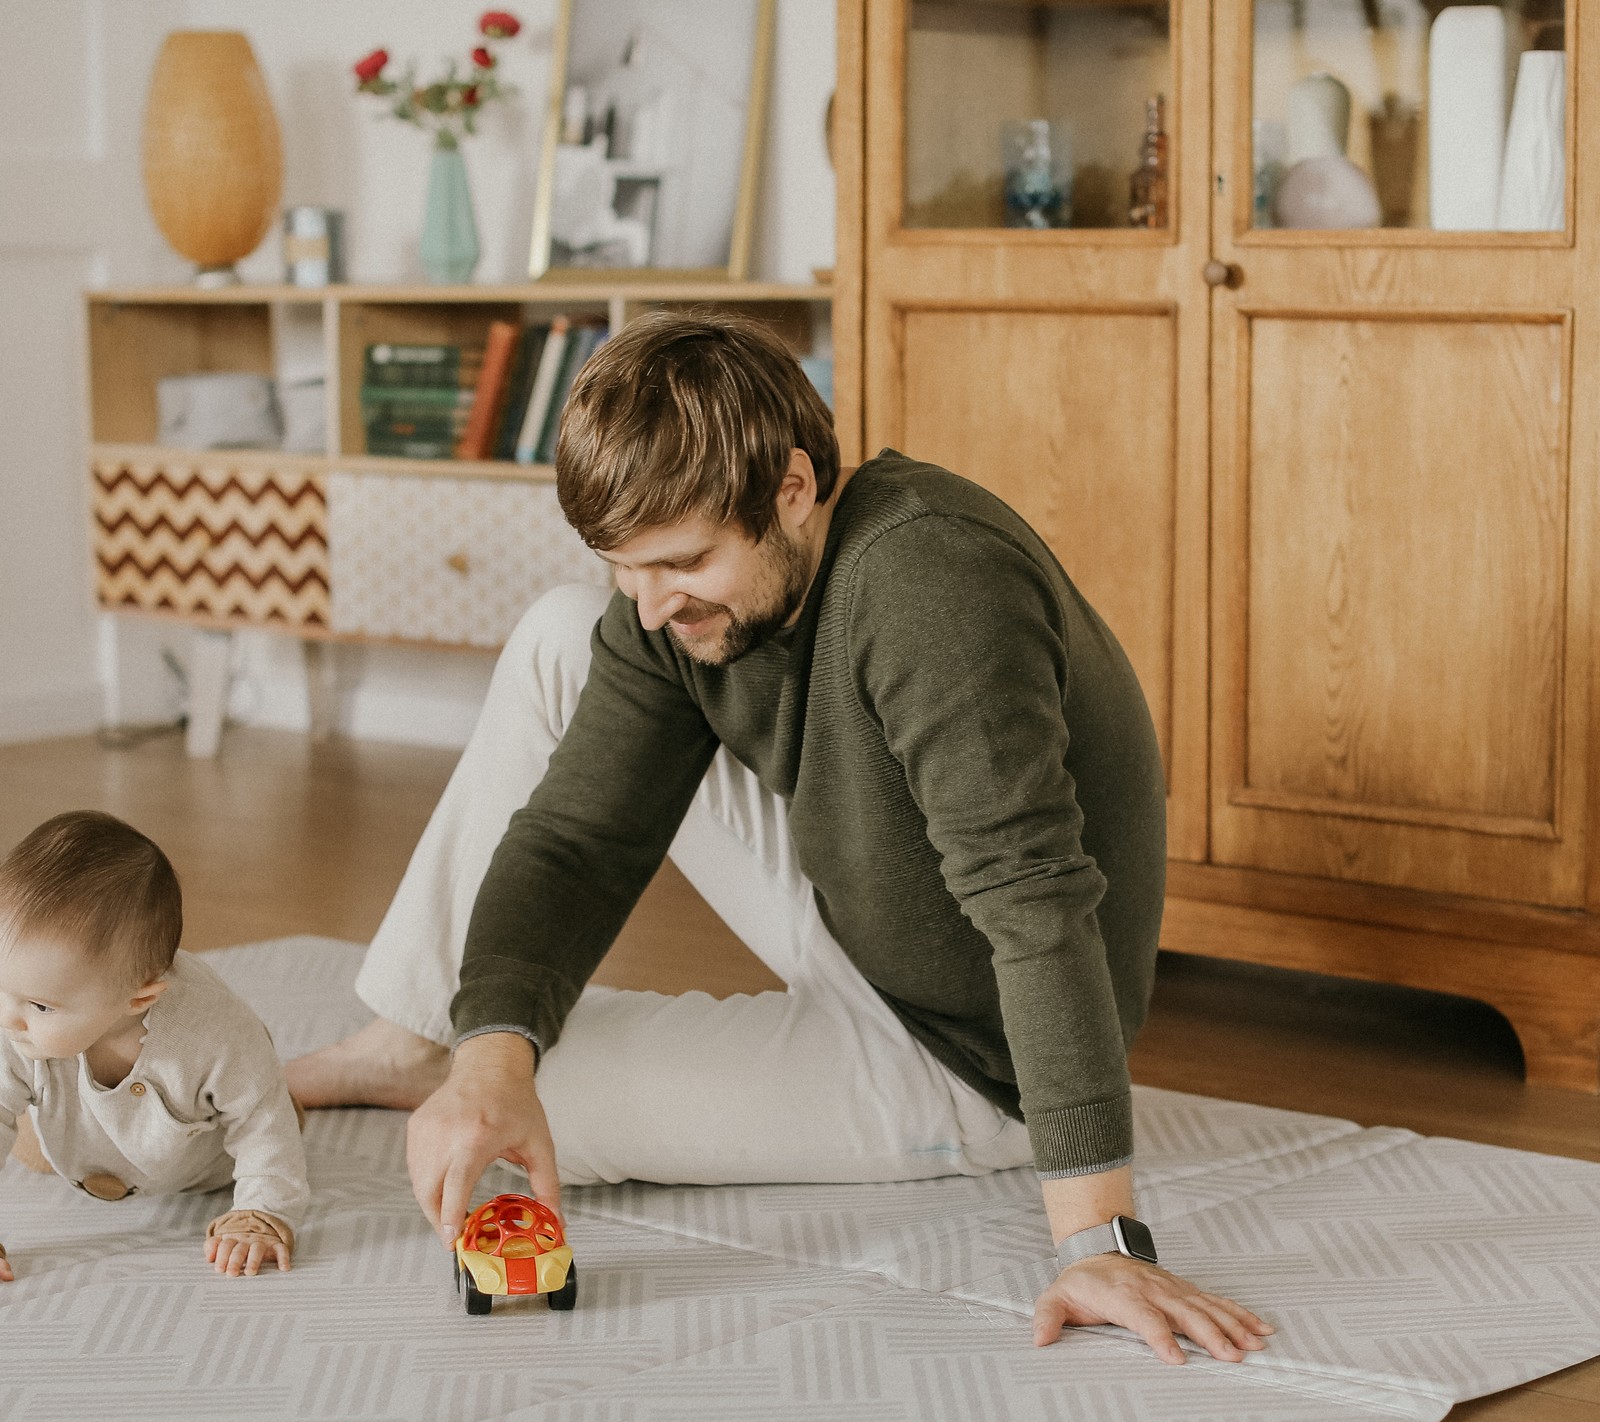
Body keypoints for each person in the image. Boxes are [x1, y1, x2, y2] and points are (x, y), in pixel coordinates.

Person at [290, 312, 1272, 1364]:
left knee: (529, 1118)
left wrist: (1098, 1236)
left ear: (791, 489)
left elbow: (1031, 898)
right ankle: (416, 1033)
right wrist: (487, 1052)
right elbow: (578, 839)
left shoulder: (928, 583)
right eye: (628, 566)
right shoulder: (678, 599)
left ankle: (444, 1056)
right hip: (857, 896)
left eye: (684, 561)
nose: (654, 603)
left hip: (968, 1054)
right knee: (553, 643)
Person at [0, 811, 308, 1279]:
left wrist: (262, 1213)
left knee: (275, 1112)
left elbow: (262, 1122)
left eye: (40, 1005)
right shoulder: (16, 1025)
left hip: (200, 1165)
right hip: (72, 1140)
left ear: (137, 998)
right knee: (29, 1138)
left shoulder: (214, 1033)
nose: (7, 1016)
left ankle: (295, 1097)